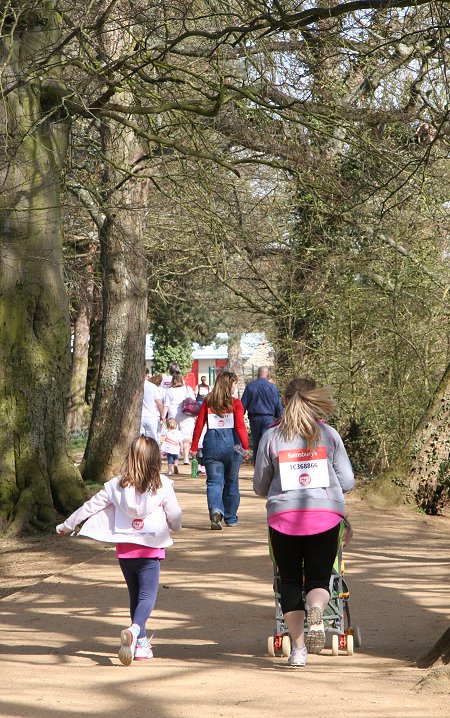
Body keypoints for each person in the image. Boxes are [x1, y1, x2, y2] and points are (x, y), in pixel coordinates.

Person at [253, 377, 354, 667]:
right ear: (315, 401)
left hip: (284, 518)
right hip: (325, 516)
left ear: (283, 401)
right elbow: (347, 481)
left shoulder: (271, 437)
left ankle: (298, 650)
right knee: (320, 579)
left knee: (287, 580)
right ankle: (316, 609)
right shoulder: (329, 434)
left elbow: (260, 486)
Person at [56, 436, 182, 666]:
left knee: (135, 595)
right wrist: (176, 527)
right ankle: (135, 629)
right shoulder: (162, 485)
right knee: (147, 596)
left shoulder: (116, 485)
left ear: (131, 458)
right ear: (155, 459)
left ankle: (141, 644)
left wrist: (66, 525)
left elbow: (90, 506)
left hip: (125, 549)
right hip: (150, 548)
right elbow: (174, 516)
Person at [190, 370, 249, 530]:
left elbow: (199, 425)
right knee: (231, 482)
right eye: (235, 383)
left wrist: (194, 447)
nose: (236, 386)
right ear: (230, 384)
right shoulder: (236, 403)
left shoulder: (208, 401)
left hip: (212, 446)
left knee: (214, 482)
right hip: (233, 447)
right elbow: (239, 426)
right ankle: (230, 518)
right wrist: (246, 448)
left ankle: (216, 510)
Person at [241, 366, 284, 461]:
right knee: (267, 444)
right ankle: (267, 468)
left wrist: (240, 417)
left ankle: (257, 469)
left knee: (256, 444)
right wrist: (279, 416)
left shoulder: (250, 386)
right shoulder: (272, 387)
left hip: (254, 419)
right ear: (267, 374)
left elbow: (242, 405)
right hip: (268, 419)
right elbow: (277, 404)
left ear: (258, 374)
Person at [162, 371, 196, 464]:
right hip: (187, 414)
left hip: (173, 416)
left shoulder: (169, 390)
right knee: (185, 437)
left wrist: (163, 417)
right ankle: (185, 458)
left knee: (173, 437)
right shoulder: (187, 389)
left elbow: (166, 405)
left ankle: (173, 458)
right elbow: (193, 401)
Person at [140, 368, 164, 440]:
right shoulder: (153, 387)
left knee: (140, 440)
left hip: (140, 417)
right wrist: (162, 416)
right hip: (151, 416)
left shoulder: (135, 386)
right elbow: (159, 403)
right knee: (152, 441)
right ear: (147, 375)